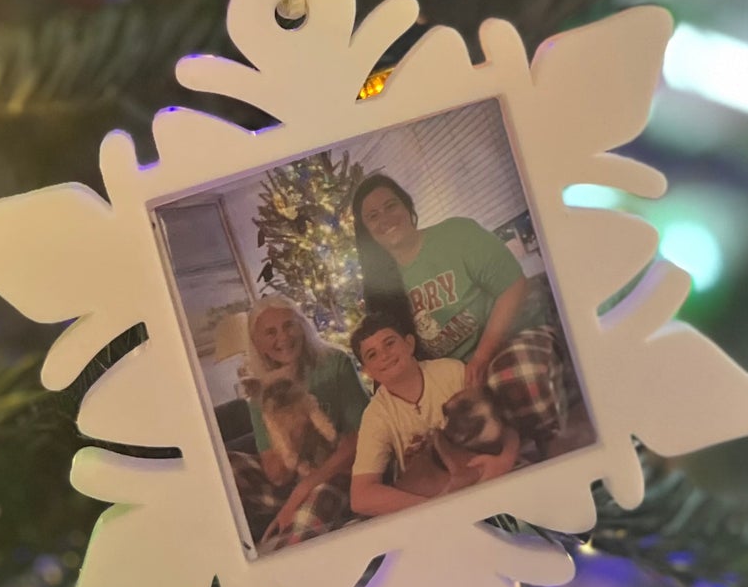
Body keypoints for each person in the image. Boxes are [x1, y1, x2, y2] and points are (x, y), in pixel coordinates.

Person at [352, 172, 569, 453]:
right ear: (367, 231)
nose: (385, 218)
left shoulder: (457, 234)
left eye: (391, 205)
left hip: (507, 340)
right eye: (373, 215)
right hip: (450, 374)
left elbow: (513, 285)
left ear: (407, 205)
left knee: (512, 379)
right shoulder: (380, 287)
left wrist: (481, 356)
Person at [348, 314, 518, 517]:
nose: (384, 355)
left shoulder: (450, 372)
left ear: (409, 344)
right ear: (367, 371)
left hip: (481, 475)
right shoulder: (376, 415)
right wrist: (435, 506)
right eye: (372, 354)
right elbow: (361, 497)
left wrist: (505, 460)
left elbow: (502, 422)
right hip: (431, 495)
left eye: (389, 343)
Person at [230, 298, 367, 549]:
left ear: (302, 327)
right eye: (270, 332)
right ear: (258, 343)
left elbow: (360, 439)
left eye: (289, 326)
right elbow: (277, 476)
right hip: (294, 478)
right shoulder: (261, 389)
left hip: (339, 471)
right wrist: (287, 427)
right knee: (229, 468)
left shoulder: (334, 363)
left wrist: (302, 491)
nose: (283, 337)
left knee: (308, 512)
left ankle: (292, 543)